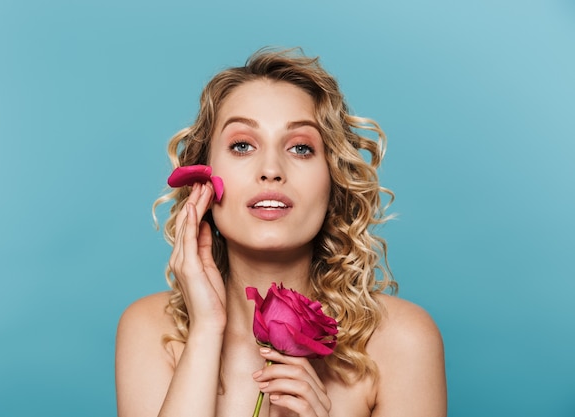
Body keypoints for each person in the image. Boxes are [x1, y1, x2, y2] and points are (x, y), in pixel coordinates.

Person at [115, 48, 447, 417]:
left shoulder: (402, 340)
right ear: (202, 178)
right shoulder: (151, 330)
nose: (271, 169)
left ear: (333, 180)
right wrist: (207, 329)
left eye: (301, 148)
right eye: (242, 146)